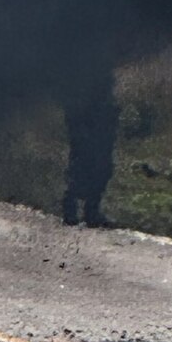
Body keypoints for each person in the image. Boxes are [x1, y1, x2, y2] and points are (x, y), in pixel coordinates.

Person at [61, 61, 119, 228]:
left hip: (99, 112)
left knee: (102, 164)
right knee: (82, 158)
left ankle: (90, 210)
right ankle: (72, 207)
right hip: (83, 112)